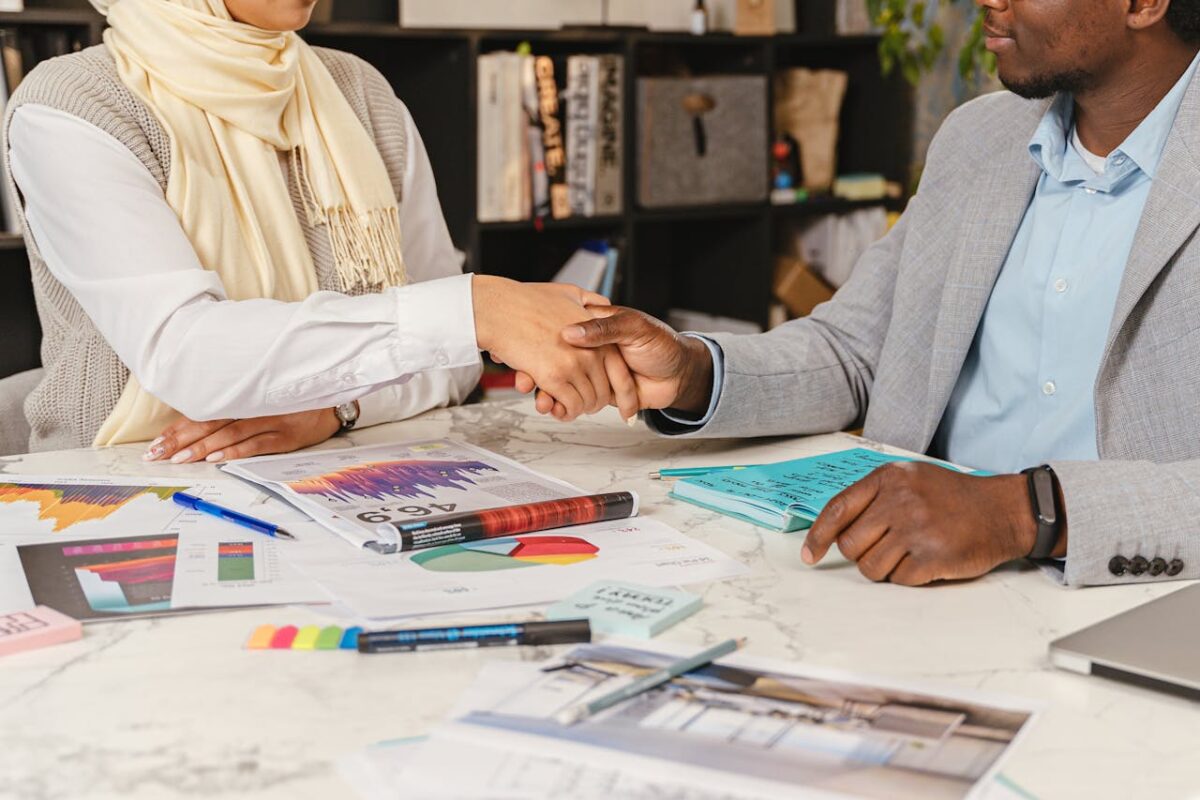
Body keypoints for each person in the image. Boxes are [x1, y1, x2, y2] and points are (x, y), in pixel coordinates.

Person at [544, 0, 1200, 588]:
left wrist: (1019, 512)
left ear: (1142, 4)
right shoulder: (978, 140)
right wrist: (693, 371)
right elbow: (856, 350)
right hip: (910, 576)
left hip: (1131, 601)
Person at [2, 0, 636, 461]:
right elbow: (187, 356)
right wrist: (477, 307)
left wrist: (335, 408)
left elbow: (452, 364)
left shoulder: (360, 92)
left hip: (341, 466)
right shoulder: (70, 107)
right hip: (119, 483)